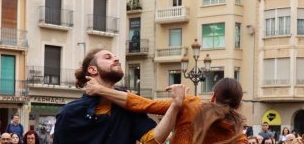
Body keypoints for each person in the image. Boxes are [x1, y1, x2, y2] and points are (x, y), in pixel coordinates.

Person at [54, 48, 185, 144]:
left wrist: (175, 106)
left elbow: (153, 140)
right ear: (93, 69)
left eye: (115, 57)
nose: (116, 59)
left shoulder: (128, 108)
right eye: (107, 57)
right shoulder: (69, 113)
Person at [86, 76, 247, 144]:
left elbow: (143, 104)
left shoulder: (190, 104)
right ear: (238, 105)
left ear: (213, 96)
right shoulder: (239, 137)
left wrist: (100, 89)